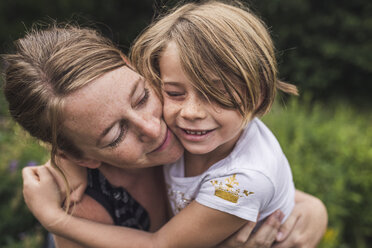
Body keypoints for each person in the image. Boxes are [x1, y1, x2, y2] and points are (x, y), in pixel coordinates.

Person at [4, 7, 327, 248]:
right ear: (82, 155)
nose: (154, 128)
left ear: (133, 65)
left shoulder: (197, 137)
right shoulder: (83, 210)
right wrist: (58, 216)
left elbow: (250, 184)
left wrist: (312, 207)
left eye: (143, 96)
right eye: (116, 135)